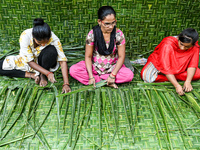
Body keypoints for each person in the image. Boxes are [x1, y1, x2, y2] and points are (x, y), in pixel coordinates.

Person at [0, 18, 71, 93]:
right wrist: (48, 73)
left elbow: (62, 61)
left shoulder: (53, 37)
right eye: (40, 43)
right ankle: (31, 75)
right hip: (28, 62)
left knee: (51, 50)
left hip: (44, 62)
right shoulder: (25, 36)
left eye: (46, 42)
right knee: (1, 67)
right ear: (33, 37)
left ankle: (42, 75)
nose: (43, 44)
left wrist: (66, 84)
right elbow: (30, 62)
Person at [69, 6, 134, 88]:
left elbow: (121, 57)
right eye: (107, 24)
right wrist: (90, 76)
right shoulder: (92, 34)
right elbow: (88, 57)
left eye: (113, 23)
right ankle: (103, 80)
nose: (111, 26)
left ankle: (103, 80)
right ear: (99, 21)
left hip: (112, 67)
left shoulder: (118, 34)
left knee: (129, 75)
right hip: (95, 67)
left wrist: (113, 75)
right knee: (73, 70)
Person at [141, 28, 200, 95]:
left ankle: (166, 75)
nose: (182, 48)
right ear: (178, 38)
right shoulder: (168, 44)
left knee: (198, 74)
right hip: (162, 63)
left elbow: (192, 65)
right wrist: (177, 85)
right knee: (146, 76)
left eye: (187, 47)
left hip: (180, 67)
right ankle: (171, 76)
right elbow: (166, 66)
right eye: (181, 44)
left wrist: (188, 81)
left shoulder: (195, 47)